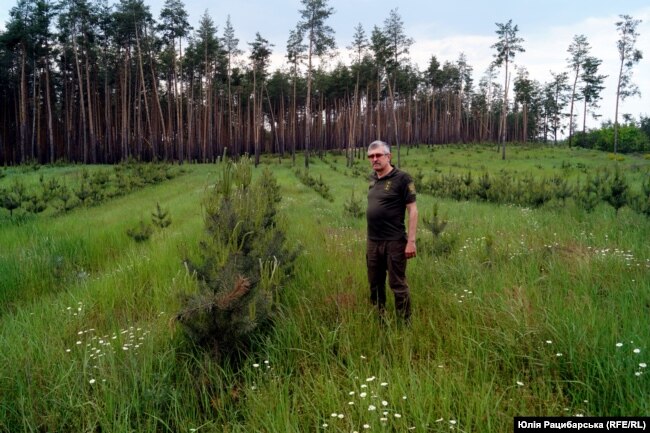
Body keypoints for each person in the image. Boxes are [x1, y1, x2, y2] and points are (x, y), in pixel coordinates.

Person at [365, 140, 418, 322]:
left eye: (378, 155)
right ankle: (380, 320)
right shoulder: (373, 179)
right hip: (373, 242)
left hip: (394, 241)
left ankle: (405, 323)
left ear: (389, 156)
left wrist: (411, 242)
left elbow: (413, 210)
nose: (375, 159)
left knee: (397, 284)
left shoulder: (403, 178)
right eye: (371, 156)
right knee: (375, 284)